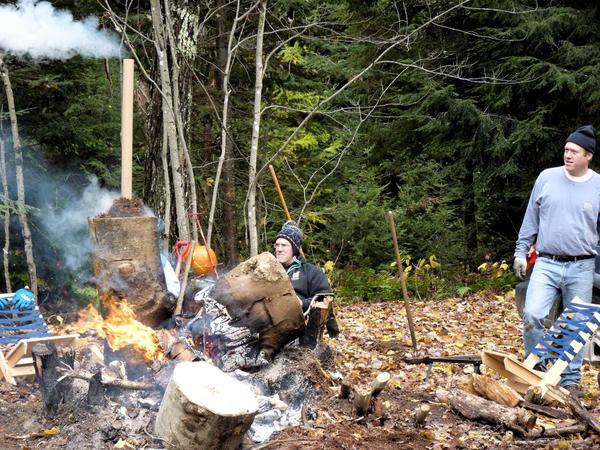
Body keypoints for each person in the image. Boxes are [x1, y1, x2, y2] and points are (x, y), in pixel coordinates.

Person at [513, 124, 600, 395]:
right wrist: (520, 251)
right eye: (566, 150)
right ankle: (535, 372)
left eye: (574, 151)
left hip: (582, 265)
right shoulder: (547, 178)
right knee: (533, 314)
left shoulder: (598, 185)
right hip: (547, 262)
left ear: (588, 156)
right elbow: (531, 218)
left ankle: (570, 380)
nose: (568, 155)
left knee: (574, 322)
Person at [274, 220, 339, 337]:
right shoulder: (268, 271)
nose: (279, 249)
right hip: (267, 323)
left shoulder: (312, 272)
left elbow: (325, 299)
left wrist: (301, 303)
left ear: (294, 248)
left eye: (284, 245)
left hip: (300, 326)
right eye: (277, 245)